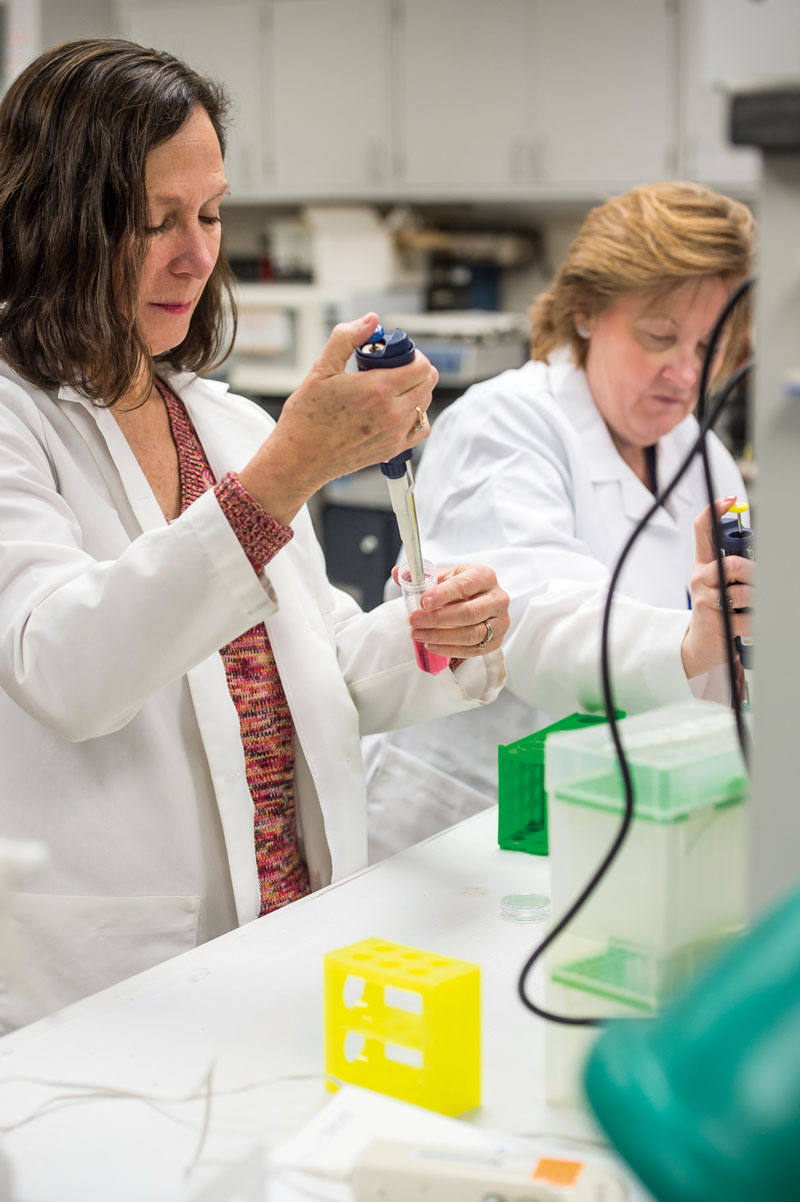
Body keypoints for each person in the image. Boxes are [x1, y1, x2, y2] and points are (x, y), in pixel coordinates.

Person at [0, 39, 510, 1031]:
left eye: (209, 213)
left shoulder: (221, 422)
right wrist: (287, 472)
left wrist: (437, 634)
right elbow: (64, 667)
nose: (196, 253)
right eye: (152, 222)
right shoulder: (17, 418)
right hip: (105, 973)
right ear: (51, 221)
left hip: (286, 935)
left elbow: (318, 671)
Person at [365, 181, 753, 862]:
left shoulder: (703, 453)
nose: (687, 375)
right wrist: (691, 642)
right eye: (660, 336)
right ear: (585, 311)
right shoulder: (504, 423)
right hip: (466, 821)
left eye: (709, 346)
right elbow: (531, 626)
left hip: (618, 811)